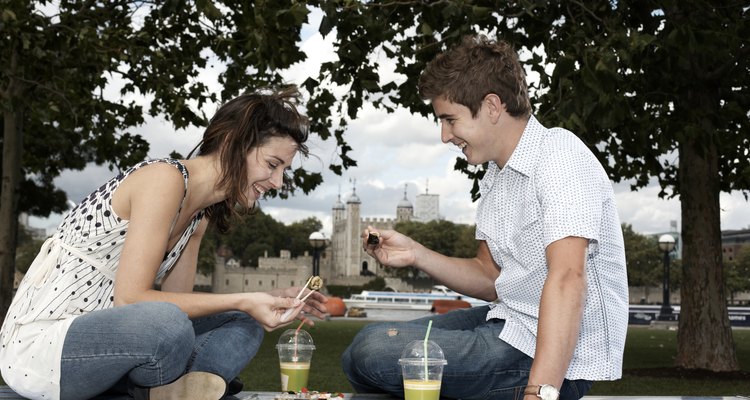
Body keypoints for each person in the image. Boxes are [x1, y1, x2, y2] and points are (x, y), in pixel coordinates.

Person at [341, 35, 628, 400]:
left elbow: (569, 278)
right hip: (509, 321)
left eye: (450, 120)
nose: (445, 136)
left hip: (552, 357)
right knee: (359, 351)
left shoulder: (560, 157)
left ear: (492, 106)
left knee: (377, 353)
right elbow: (492, 277)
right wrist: (416, 253)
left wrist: (540, 392)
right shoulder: (496, 176)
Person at [0, 86, 328, 400]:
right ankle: (172, 387)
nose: (278, 182)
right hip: (43, 350)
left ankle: (175, 390)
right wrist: (244, 298)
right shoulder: (163, 179)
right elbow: (132, 301)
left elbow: (179, 303)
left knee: (241, 318)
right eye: (273, 164)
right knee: (167, 322)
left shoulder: (199, 215)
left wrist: (263, 299)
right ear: (233, 141)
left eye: (284, 170)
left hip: (109, 347)